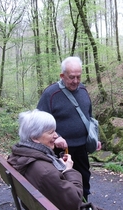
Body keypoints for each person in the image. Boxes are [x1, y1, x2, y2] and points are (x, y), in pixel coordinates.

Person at [7, 109, 109, 210]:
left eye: (55, 131)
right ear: (34, 137)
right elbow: (74, 202)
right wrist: (68, 170)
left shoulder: (20, 156)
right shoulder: (45, 171)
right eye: (51, 132)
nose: (56, 135)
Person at [37, 56, 101, 201]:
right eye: (71, 77)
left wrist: (95, 137)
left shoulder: (83, 90)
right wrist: (56, 136)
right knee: (62, 184)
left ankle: (83, 206)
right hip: (59, 151)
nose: (76, 81)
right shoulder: (51, 94)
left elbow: (89, 117)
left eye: (78, 77)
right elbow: (40, 122)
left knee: (84, 179)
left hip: (82, 148)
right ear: (62, 76)